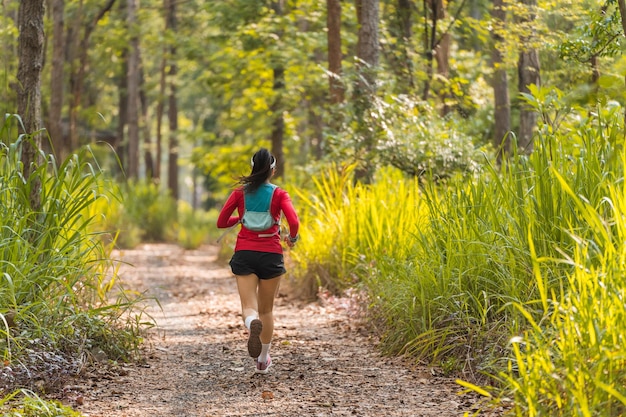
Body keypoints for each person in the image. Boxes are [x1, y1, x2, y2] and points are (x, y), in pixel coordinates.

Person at [216, 148, 300, 374]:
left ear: (252, 167)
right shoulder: (280, 194)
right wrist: (292, 238)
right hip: (271, 254)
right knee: (267, 310)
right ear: (272, 170)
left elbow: (221, 222)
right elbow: (294, 221)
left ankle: (250, 322)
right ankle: (263, 360)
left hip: (245, 252)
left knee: (249, 307)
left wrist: (241, 218)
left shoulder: (239, 193)